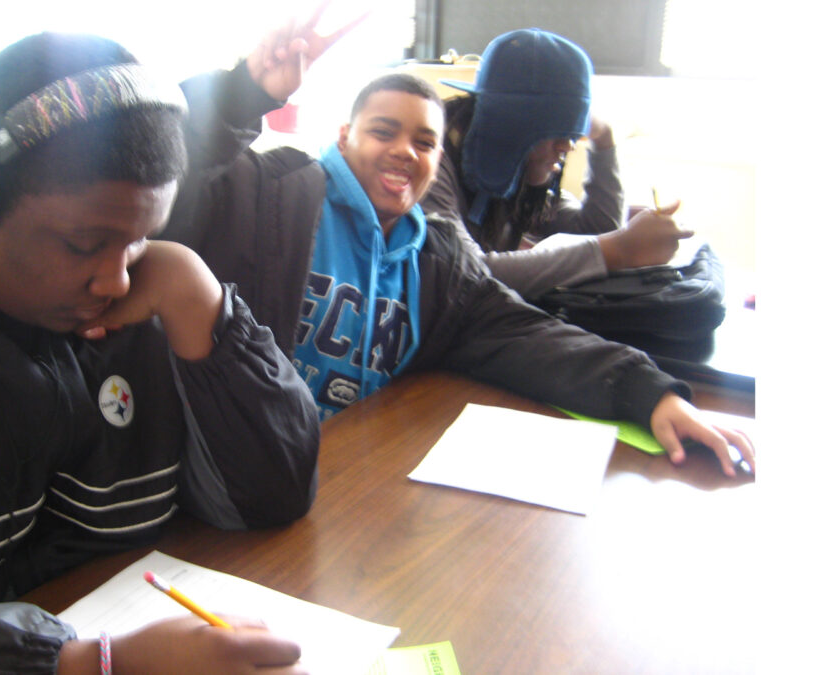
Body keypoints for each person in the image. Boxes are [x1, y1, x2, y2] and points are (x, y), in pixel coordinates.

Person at [0, 31, 330, 674]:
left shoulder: (137, 283)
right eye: (84, 245)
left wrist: (196, 295)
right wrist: (80, 667)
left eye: (140, 241)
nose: (117, 282)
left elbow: (274, 495)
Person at [81, 63, 754, 479]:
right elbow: (172, 175)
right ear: (344, 136)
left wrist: (654, 394)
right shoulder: (269, 195)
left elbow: (525, 334)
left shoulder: (439, 258)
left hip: (351, 476)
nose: (405, 150)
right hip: (227, 473)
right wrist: (241, 91)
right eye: (383, 130)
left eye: (425, 140)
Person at [420, 28, 694, 299]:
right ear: (510, 126)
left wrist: (605, 140)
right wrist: (618, 250)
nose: (569, 146)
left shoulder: (518, 176)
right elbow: (467, 275)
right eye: (557, 132)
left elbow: (597, 228)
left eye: (572, 133)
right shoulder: (430, 166)